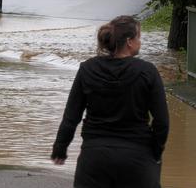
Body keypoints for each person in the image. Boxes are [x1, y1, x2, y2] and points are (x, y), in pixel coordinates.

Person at [51, 15, 170, 188]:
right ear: (129, 41)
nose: (140, 41)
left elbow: (71, 116)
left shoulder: (87, 69)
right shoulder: (147, 72)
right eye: (139, 37)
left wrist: (60, 147)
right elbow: (162, 122)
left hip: (94, 157)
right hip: (137, 157)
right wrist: (155, 152)